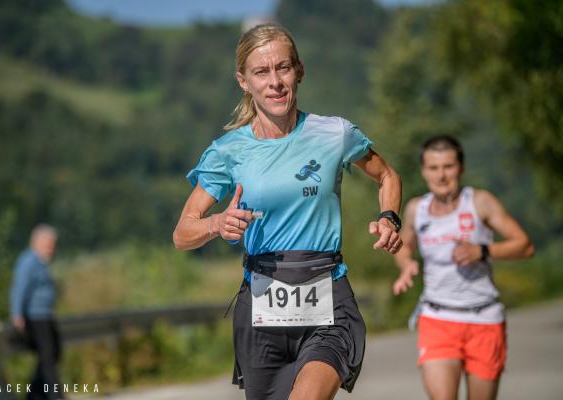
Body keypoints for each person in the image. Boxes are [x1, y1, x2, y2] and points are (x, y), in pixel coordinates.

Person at [173, 23, 402, 400]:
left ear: (299, 70)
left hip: (328, 300)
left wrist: (389, 217)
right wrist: (217, 223)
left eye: (283, 68)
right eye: (261, 72)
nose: (275, 82)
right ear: (244, 81)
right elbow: (183, 234)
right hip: (261, 312)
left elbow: (387, 176)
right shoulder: (229, 151)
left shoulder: (335, 134)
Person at [392, 135, 534, 400]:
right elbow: (403, 246)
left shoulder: (480, 201)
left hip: (484, 318)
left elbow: (524, 246)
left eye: (448, 166)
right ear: (424, 171)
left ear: (461, 168)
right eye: (433, 168)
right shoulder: (416, 209)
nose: (441, 175)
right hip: (437, 318)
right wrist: (406, 264)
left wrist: (482, 251)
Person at [10, 224, 63, 400]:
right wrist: (17, 314)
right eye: (49, 244)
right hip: (35, 317)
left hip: (45, 315)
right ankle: (55, 396)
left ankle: (34, 395)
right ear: (37, 242)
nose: (52, 249)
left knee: (53, 353)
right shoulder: (28, 261)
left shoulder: (41, 262)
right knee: (47, 356)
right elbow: (19, 288)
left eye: (53, 245)